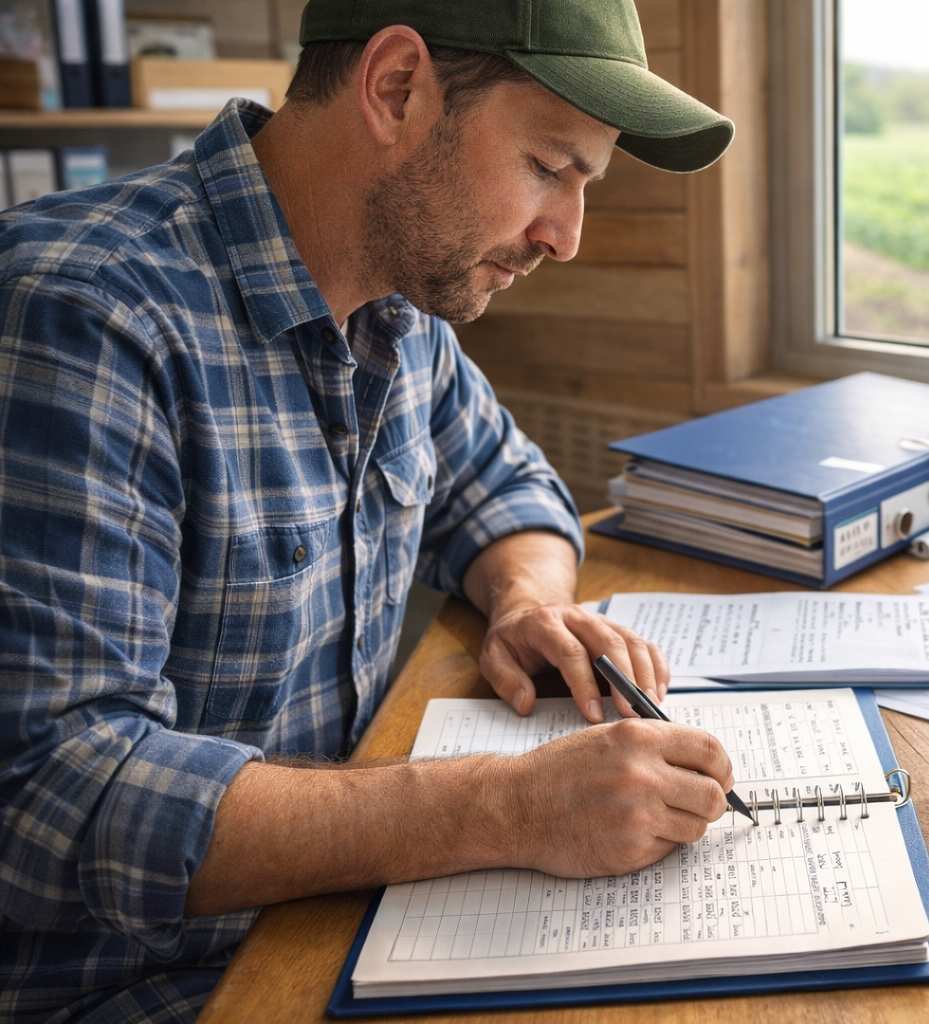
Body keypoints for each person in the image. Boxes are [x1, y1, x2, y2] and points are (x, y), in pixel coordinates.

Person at [0, 1, 738, 1020]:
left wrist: (530, 600)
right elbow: (56, 797)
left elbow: (505, 485)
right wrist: (500, 807)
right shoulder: (83, 317)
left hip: (327, 923)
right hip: (139, 989)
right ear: (395, 87)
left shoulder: (401, 305)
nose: (565, 236)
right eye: (548, 165)